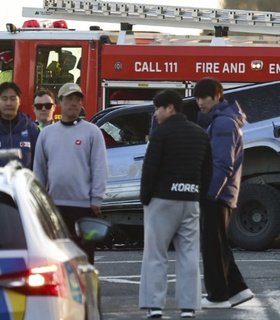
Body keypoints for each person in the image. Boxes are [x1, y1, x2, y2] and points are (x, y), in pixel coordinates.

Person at [139, 89, 213, 319]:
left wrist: (145, 197)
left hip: (162, 200)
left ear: (169, 108)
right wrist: (198, 196)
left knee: (156, 254)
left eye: (156, 109)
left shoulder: (161, 134)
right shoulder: (201, 134)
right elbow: (207, 171)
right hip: (190, 200)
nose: (154, 114)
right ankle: (188, 307)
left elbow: (150, 168)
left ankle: (154, 306)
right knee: (189, 254)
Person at [193, 77, 254, 308]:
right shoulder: (222, 121)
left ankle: (218, 296)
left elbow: (222, 164)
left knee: (211, 246)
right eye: (197, 97)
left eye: (204, 97)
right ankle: (237, 290)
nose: (199, 102)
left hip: (217, 193)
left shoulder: (222, 123)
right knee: (217, 245)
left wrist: (210, 193)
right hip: (221, 193)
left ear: (217, 96)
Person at [33, 82, 108, 264]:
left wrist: (96, 198)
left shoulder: (92, 132)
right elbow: (39, 170)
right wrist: (38, 203)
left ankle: (85, 292)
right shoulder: (47, 134)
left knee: (84, 258)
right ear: (60, 102)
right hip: (54, 207)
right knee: (56, 259)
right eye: (69, 99)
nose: (73, 103)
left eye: (77, 99)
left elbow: (100, 167)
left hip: (84, 207)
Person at [0, 82, 40, 169]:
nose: (9, 103)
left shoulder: (31, 128)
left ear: (19, 101)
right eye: (4, 99)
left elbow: (39, 163)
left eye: (13, 99)